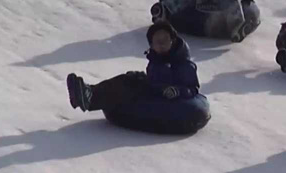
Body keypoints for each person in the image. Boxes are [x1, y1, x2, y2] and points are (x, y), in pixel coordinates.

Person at [67, 21, 200, 113]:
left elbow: (193, 89)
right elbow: (154, 81)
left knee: (134, 87)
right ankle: (89, 93)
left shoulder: (183, 64)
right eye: (157, 41)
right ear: (152, 45)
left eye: (165, 40)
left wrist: (177, 91)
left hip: (172, 101)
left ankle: (91, 98)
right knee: (129, 79)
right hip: (154, 92)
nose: (161, 44)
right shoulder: (155, 60)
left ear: (173, 41)